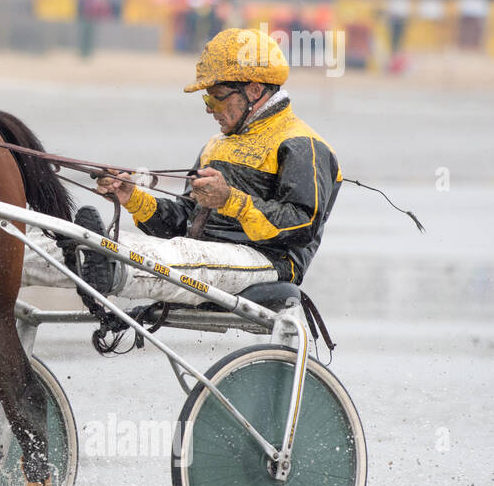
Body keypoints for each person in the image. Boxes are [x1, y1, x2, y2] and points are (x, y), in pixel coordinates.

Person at [23, 27, 342, 304]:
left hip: (268, 262)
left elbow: (302, 227)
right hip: (201, 253)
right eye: (206, 101)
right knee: (115, 245)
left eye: (215, 98)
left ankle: (102, 263)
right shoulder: (215, 146)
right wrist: (132, 197)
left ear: (254, 90)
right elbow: (185, 222)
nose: (209, 109)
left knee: (163, 257)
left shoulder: (303, 145)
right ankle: (17, 256)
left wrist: (230, 201)